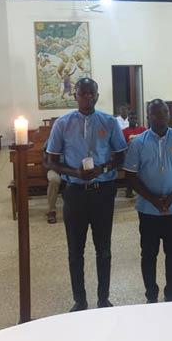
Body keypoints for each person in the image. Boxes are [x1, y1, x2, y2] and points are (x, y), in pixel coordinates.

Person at [46, 78, 127, 311]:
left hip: (103, 192)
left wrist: (103, 169)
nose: (87, 97)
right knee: (75, 251)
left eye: (91, 93)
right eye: (82, 93)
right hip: (75, 193)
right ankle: (79, 301)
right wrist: (75, 173)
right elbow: (51, 161)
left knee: (104, 249)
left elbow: (121, 156)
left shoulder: (109, 122)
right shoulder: (63, 124)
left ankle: (103, 298)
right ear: (75, 96)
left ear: (97, 96)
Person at [124, 99, 172, 303]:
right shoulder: (138, 143)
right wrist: (153, 199)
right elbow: (130, 175)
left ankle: (171, 294)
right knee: (148, 253)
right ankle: (151, 296)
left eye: (165, 112)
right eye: (156, 113)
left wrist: (171, 198)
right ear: (148, 116)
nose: (162, 116)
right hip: (148, 209)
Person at [122, 111, 147, 198]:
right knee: (130, 174)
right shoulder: (124, 131)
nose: (133, 120)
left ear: (137, 120)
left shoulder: (143, 130)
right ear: (128, 119)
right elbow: (122, 145)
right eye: (131, 118)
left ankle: (144, 191)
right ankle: (129, 190)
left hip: (142, 156)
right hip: (129, 156)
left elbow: (147, 142)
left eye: (135, 118)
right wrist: (128, 144)